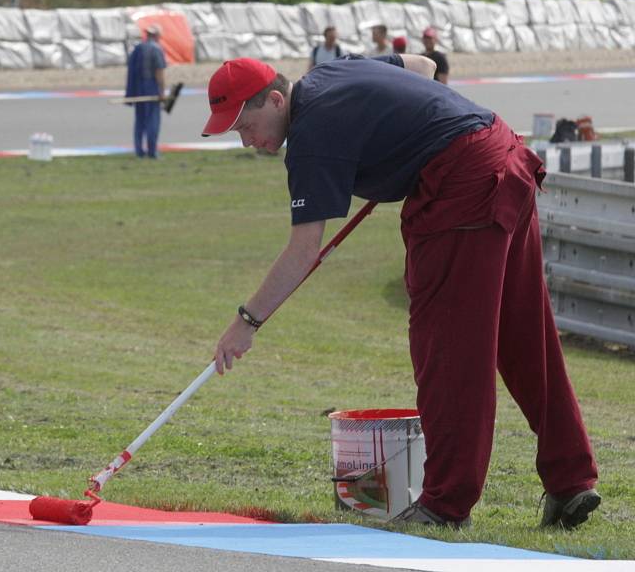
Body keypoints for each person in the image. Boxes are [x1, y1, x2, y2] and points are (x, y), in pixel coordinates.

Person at [200, 55, 600, 529]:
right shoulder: (332, 74)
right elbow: (422, 66)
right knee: (521, 335)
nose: (247, 140)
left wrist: (245, 324)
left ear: (275, 99)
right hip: (504, 154)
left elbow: (304, 248)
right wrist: (397, 142)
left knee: (447, 349)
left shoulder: (309, 137)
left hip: (463, 186)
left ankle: (445, 505)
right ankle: (571, 478)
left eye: (246, 125)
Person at [125, 24, 166, 158]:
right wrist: (162, 91)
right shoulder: (156, 49)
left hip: (138, 88)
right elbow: (159, 72)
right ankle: (152, 151)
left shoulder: (137, 48)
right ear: (156, 36)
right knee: (152, 120)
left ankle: (139, 151)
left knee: (140, 121)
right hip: (151, 86)